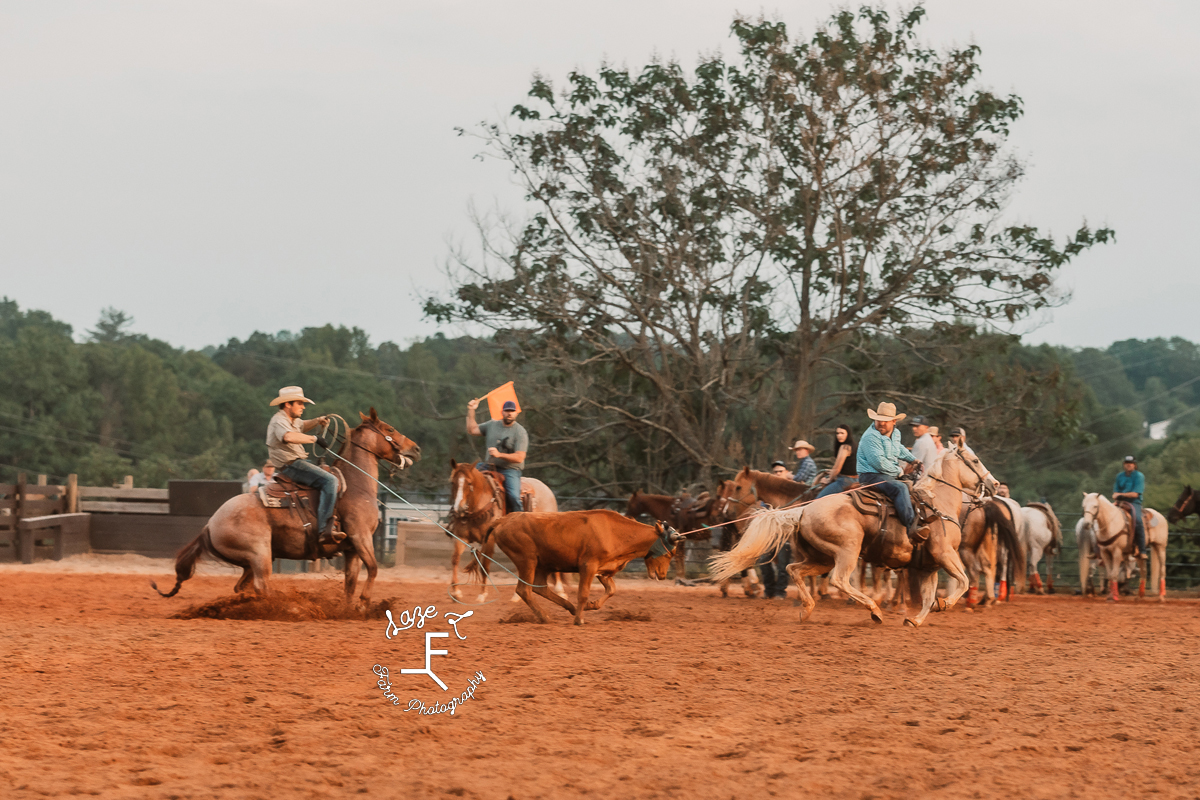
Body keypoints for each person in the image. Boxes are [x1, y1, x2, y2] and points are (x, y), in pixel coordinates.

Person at [265, 386, 340, 544]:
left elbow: (302, 425)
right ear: (288, 404)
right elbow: (288, 436)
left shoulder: (291, 420)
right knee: (331, 481)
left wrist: (317, 421)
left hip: (297, 463)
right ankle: (324, 529)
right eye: (299, 403)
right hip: (292, 465)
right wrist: (315, 439)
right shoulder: (279, 420)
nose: (303, 407)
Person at [856, 402, 921, 536]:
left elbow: (899, 449)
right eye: (879, 420)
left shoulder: (895, 434)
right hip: (871, 475)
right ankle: (911, 526)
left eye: (885, 421)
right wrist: (899, 471)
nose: (882, 423)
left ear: (894, 421)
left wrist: (913, 460)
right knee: (900, 488)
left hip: (886, 473)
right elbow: (878, 462)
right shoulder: (870, 436)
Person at [466, 397, 528, 514]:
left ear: (516, 413)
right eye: (507, 411)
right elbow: (472, 430)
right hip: (488, 465)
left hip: (510, 470)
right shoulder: (492, 425)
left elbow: (520, 457)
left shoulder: (520, 432)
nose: (509, 413)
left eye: (512, 411)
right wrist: (471, 410)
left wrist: (499, 455)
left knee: (514, 496)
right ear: (502, 412)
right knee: (466, 479)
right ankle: (463, 511)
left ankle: (518, 519)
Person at [1112, 455, 1147, 556]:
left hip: (1134, 502)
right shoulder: (1119, 476)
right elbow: (1115, 492)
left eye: (1131, 463)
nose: (1129, 465)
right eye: (1127, 463)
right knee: (1104, 515)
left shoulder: (1139, 476)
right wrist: (1116, 496)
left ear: (1135, 465)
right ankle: (1099, 549)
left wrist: (1120, 494)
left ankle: (1142, 549)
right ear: (1124, 465)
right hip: (1120, 502)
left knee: (1138, 520)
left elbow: (1135, 494)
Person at [816, 424, 857, 498]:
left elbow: (837, 468)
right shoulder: (854, 446)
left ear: (848, 434)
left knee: (817, 499)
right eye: (837, 433)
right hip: (856, 479)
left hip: (844, 481)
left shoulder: (845, 447)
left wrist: (829, 479)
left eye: (842, 433)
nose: (839, 435)